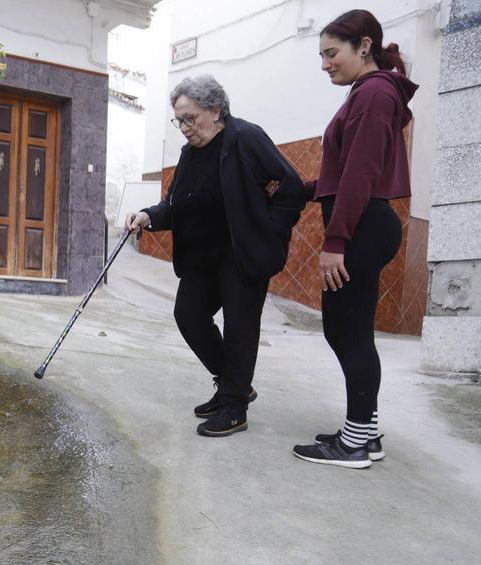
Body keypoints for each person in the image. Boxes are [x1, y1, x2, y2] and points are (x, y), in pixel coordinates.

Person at [125, 75, 305, 438]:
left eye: (191, 118)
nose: (185, 128)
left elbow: (292, 189)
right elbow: (175, 205)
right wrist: (149, 215)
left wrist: (269, 231)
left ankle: (234, 407)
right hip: (202, 255)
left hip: (241, 253)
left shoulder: (246, 138)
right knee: (188, 315)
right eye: (180, 120)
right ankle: (231, 386)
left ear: (216, 110)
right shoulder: (190, 153)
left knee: (240, 328)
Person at [291, 10, 418, 469]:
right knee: (350, 331)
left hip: (361, 228)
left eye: (331, 53)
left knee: (347, 332)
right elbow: (341, 175)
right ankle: (365, 432)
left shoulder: (374, 92)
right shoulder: (372, 92)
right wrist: (293, 189)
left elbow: (361, 175)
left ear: (364, 46)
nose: (325, 64)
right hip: (365, 225)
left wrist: (335, 241)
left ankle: (355, 444)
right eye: (321, 55)